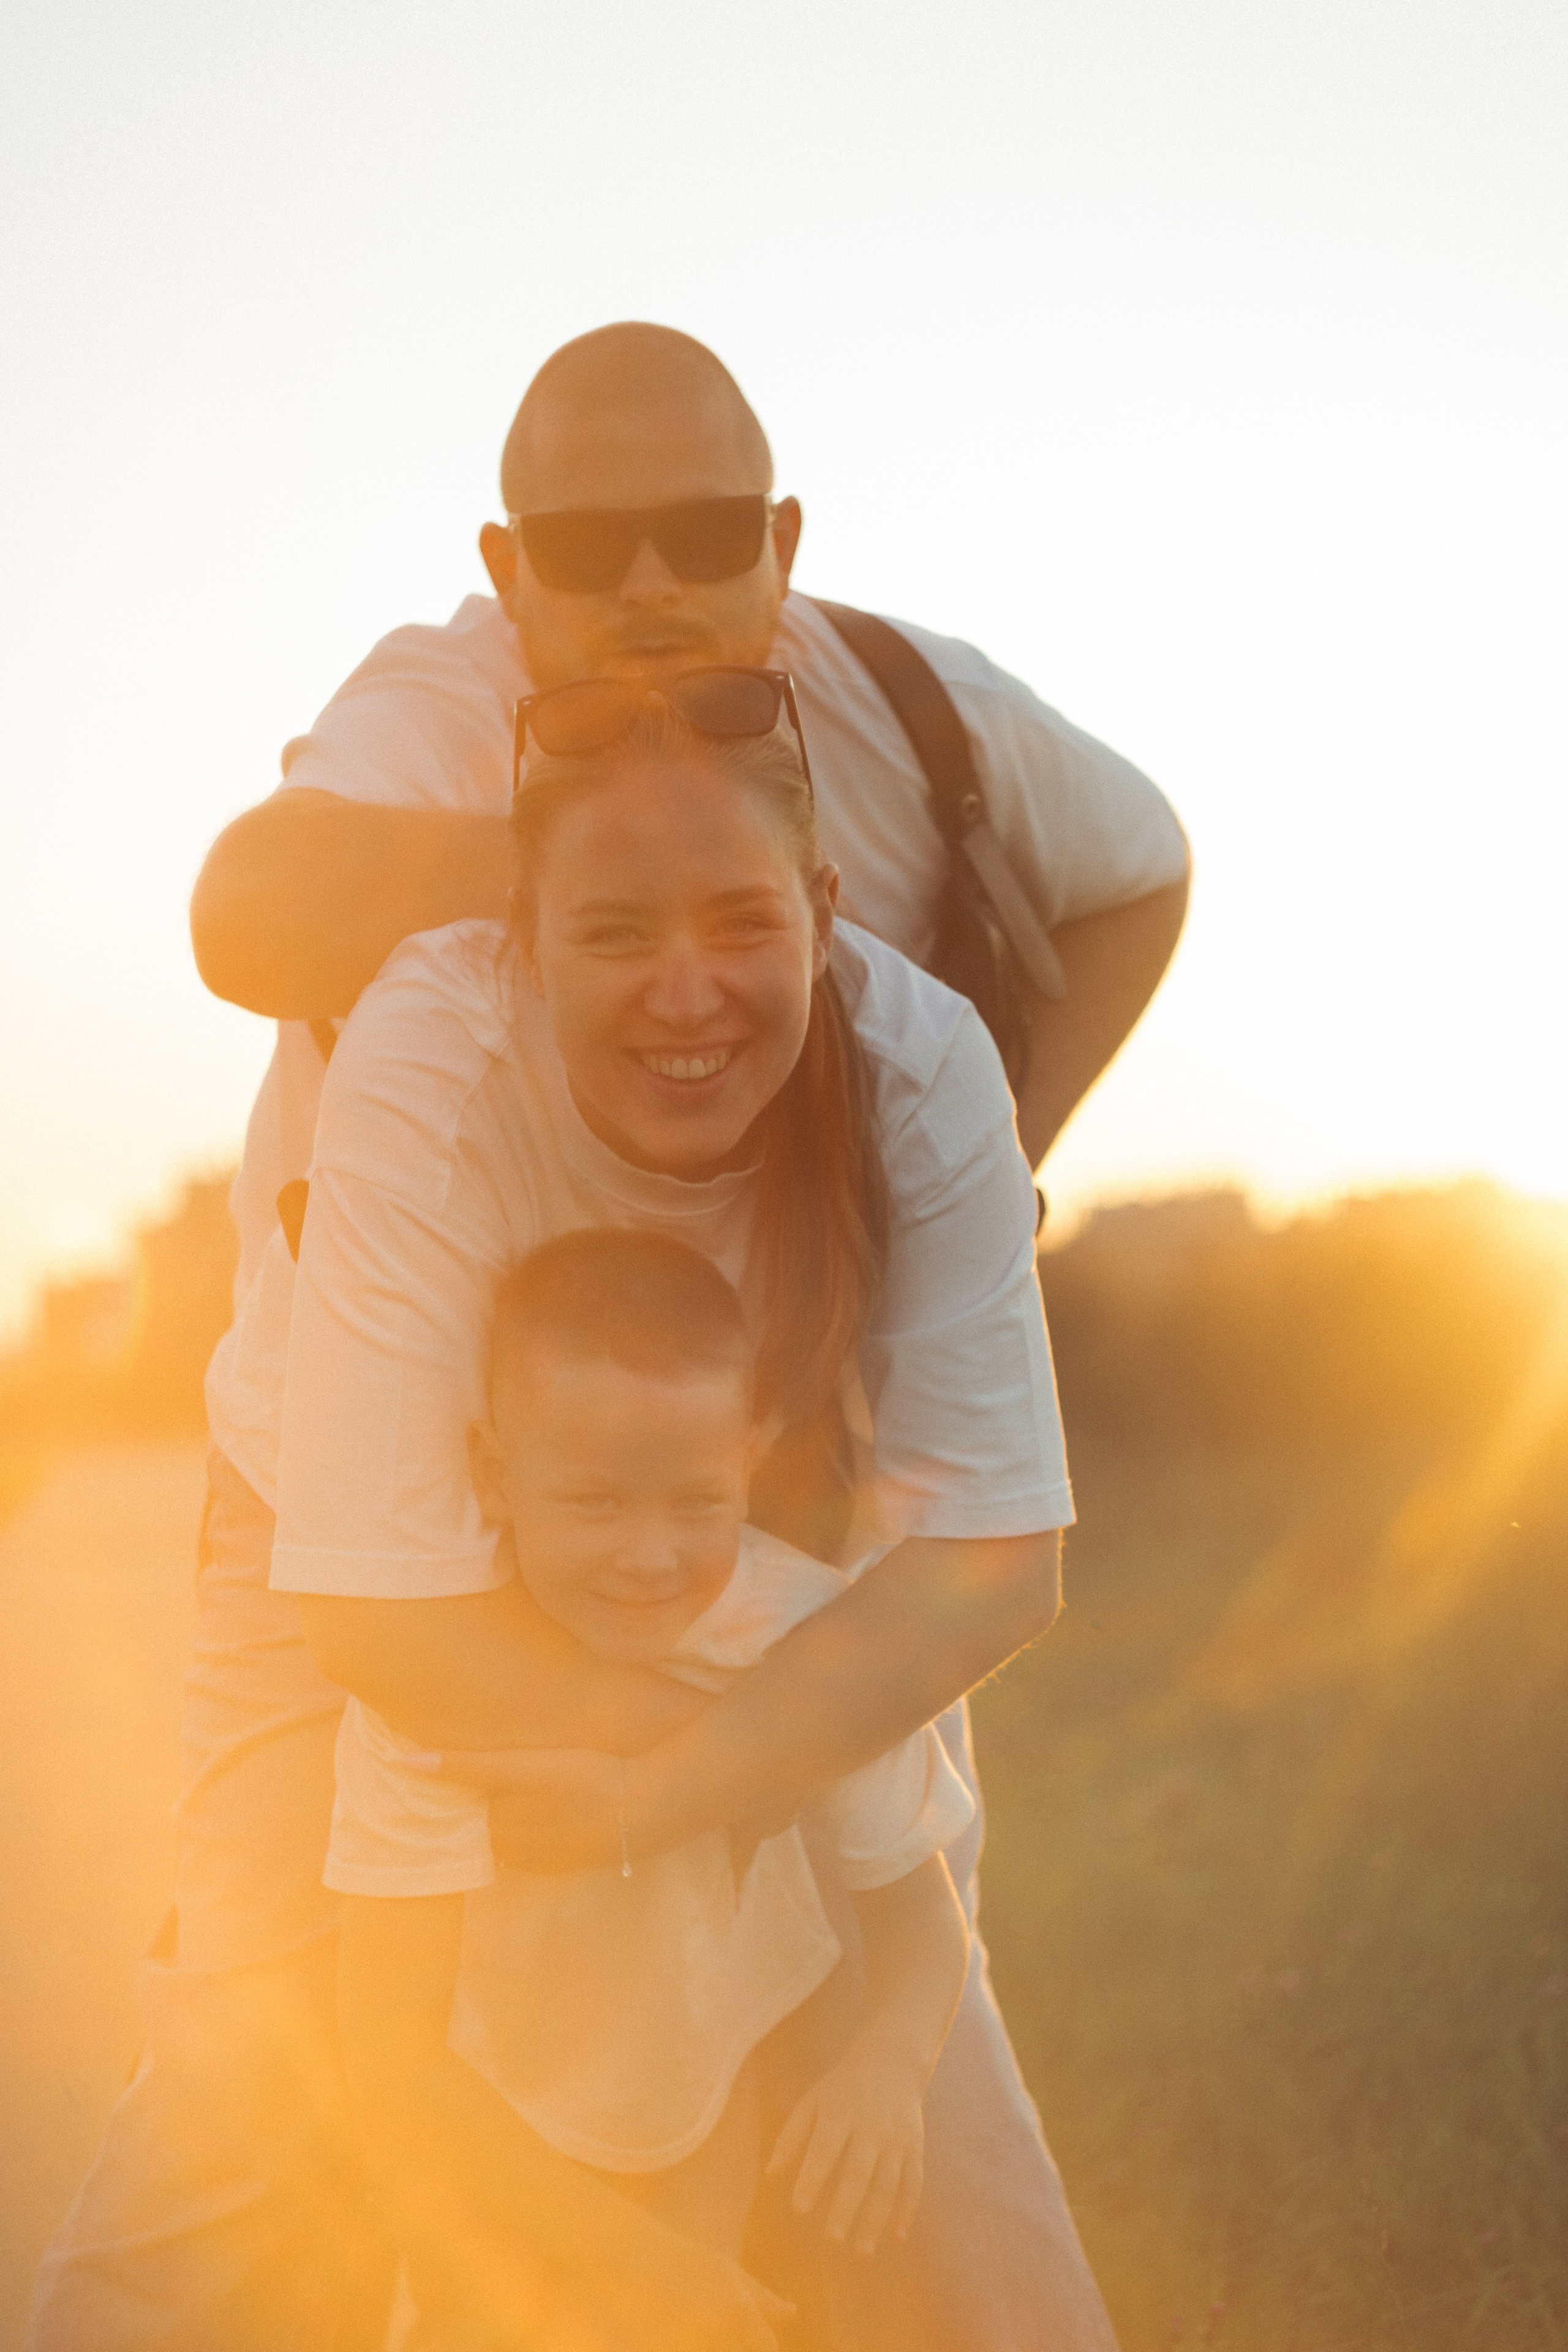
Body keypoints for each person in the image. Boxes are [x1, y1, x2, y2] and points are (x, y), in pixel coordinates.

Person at [27, 323, 1184, 2351]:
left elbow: (1141, 871)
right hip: (370, 1505)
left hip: (744, 1502)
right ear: (510, 567)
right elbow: (246, 915)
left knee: (878, 2059)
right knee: (261, 2094)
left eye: (704, 532)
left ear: (783, 541)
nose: (648, 582)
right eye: (588, 546)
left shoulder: (909, 824)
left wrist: (962, 1182)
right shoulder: (434, 824)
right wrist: (623, 836)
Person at [334, 1228, 973, 2350]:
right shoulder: (430, 1682)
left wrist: (888, 2065)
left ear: (750, 1458)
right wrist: (629, 2265)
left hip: (721, 2090)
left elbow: (923, 1915)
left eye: (696, 1503)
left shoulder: (805, 1642)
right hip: (487, 2140)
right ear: (495, 1475)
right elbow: (389, 2055)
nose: (649, 1556)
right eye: (595, 1503)